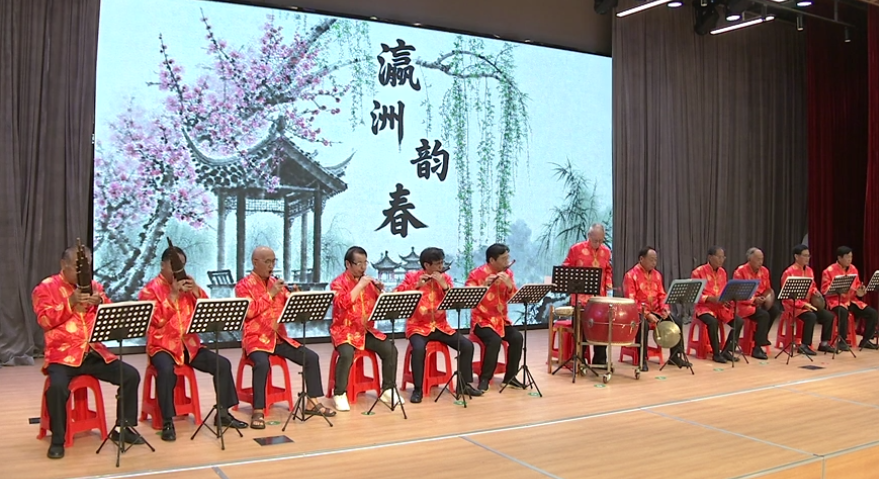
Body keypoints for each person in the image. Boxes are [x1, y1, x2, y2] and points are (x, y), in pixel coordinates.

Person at [32, 245, 142, 459]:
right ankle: (58, 440)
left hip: (93, 353)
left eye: (87, 267)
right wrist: (70, 302)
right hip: (62, 356)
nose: (83, 272)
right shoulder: (46, 288)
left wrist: (100, 302)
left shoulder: (94, 286)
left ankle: (123, 428)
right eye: (78, 267)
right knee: (57, 389)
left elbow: (111, 314)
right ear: (63, 265)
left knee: (130, 375)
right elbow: (44, 321)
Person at [138, 245, 247, 441]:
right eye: (173, 266)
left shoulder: (187, 286)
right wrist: (173, 295)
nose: (177, 271)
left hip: (189, 345)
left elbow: (206, 309)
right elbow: (156, 321)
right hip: (162, 347)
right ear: (162, 265)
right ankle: (167, 421)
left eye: (181, 266)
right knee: (166, 371)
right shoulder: (149, 290)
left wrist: (196, 290)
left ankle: (223, 414)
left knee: (222, 364)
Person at [235, 246, 335, 429]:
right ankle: (258, 409)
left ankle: (312, 403)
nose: (271, 266)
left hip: (278, 337)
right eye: (267, 262)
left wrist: (297, 298)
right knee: (262, 364)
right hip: (256, 339)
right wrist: (271, 294)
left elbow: (291, 304)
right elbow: (249, 312)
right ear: (255, 262)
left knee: (311, 357)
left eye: (273, 261)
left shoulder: (276, 284)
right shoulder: (243, 286)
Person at [395, 247, 483, 403]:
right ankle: (418, 389)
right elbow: (397, 295)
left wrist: (444, 286)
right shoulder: (412, 277)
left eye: (442, 263)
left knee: (467, 345)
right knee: (418, 349)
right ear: (426, 265)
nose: (441, 267)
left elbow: (454, 301)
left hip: (441, 326)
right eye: (437, 264)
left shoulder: (445, 278)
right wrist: (416, 286)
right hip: (418, 327)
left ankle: (463, 385)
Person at [328, 246, 401, 411]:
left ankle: (388, 389)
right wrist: (360, 285)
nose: (363, 267)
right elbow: (343, 303)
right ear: (348, 264)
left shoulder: (369, 283)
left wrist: (380, 291)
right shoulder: (338, 283)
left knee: (390, 350)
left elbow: (381, 306)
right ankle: (340, 393)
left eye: (365, 263)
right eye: (358, 263)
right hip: (344, 331)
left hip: (365, 330)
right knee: (347, 354)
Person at [465, 243, 525, 391]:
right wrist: (484, 286)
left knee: (517, 337)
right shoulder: (476, 274)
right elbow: (468, 299)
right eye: (503, 259)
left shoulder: (508, 274)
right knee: (494, 340)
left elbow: (514, 299)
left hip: (501, 320)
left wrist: (510, 285)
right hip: (481, 321)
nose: (507, 262)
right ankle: (485, 378)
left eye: (507, 258)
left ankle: (510, 377)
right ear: (492, 260)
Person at [622, 246, 689, 370]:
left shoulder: (657, 275)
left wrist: (665, 308)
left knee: (676, 321)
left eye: (655, 260)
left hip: (656, 311)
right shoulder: (630, 275)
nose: (654, 263)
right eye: (651, 259)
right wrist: (647, 314)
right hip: (638, 313)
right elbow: (631, 301)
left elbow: (662, 295)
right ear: (641, 259)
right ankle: (642, 359)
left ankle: (675, 357)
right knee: (644, 325)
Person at [561, 223, 613, 366]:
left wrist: (609, 281)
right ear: (588, 236)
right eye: (595, 240)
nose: (598, 244)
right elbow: (565, 268)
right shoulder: (576, 249)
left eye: (601, 240)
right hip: (580, 299)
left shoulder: (606, 251)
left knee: (602, 328)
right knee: (581, 328)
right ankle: (579, 358)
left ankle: (600, 360)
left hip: (599, 298)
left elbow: (608, 269)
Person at [779, 244, 835, 355]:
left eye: (808, 256)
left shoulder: (809, 271)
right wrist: (802, 305)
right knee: (811, 317)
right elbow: (787, 296)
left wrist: (815, 292)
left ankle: (824, 343)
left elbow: (812, 286)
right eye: (804, 255)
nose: (807, 258)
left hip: (808, 304)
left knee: (829, 316)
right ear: (796, 257)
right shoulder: (788, 272)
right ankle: (804, 345)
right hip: (793, 306)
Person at [821, 246, 879, 351]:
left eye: (851, 257)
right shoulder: (828, 271)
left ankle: (866, 340)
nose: (849, 259)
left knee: (873, 313)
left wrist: (860, 290)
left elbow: (857, 286)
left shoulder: (853, 269)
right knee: (843, 312)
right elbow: (824, 290)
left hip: (851, 301)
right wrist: (839, 289)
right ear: (839, 258)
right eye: (847, 257)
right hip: (835, 302)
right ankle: (842, 340)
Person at [692, 246, 743, 363]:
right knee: (713, 322)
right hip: (704, 308)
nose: (721, 260)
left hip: (720, 307)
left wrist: (728, 299)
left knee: (739, 322)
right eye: (719, 257)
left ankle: (726, 351)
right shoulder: (698, 272)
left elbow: (724, 290)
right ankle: (716, 354)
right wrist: (711, 299)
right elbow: (695, 295)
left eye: (723, 257)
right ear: (710, 257)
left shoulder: (722, 272)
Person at [732, 248, 782, 360]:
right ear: (750, 259)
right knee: (764, 315)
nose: (760, 262)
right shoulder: (740, 272)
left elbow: (767, 289)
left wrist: (766, 298)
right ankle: (757, 347)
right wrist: (754, 300)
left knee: (774, 310)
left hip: (759, 302)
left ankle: (761, 337)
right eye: (758, 259)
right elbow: (738, 295)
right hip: (744, 305)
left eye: (762, 259)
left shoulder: (764, 271)